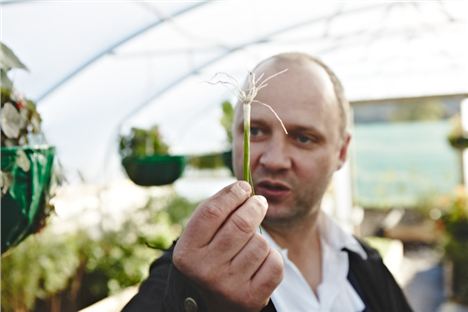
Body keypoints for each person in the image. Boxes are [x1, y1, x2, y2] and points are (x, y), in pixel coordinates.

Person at [123, 52, 412, 312]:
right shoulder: (189, 274)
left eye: (303, 138)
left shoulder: (365, 265)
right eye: (256, 131)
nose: (273, 160)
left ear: (342, 152)